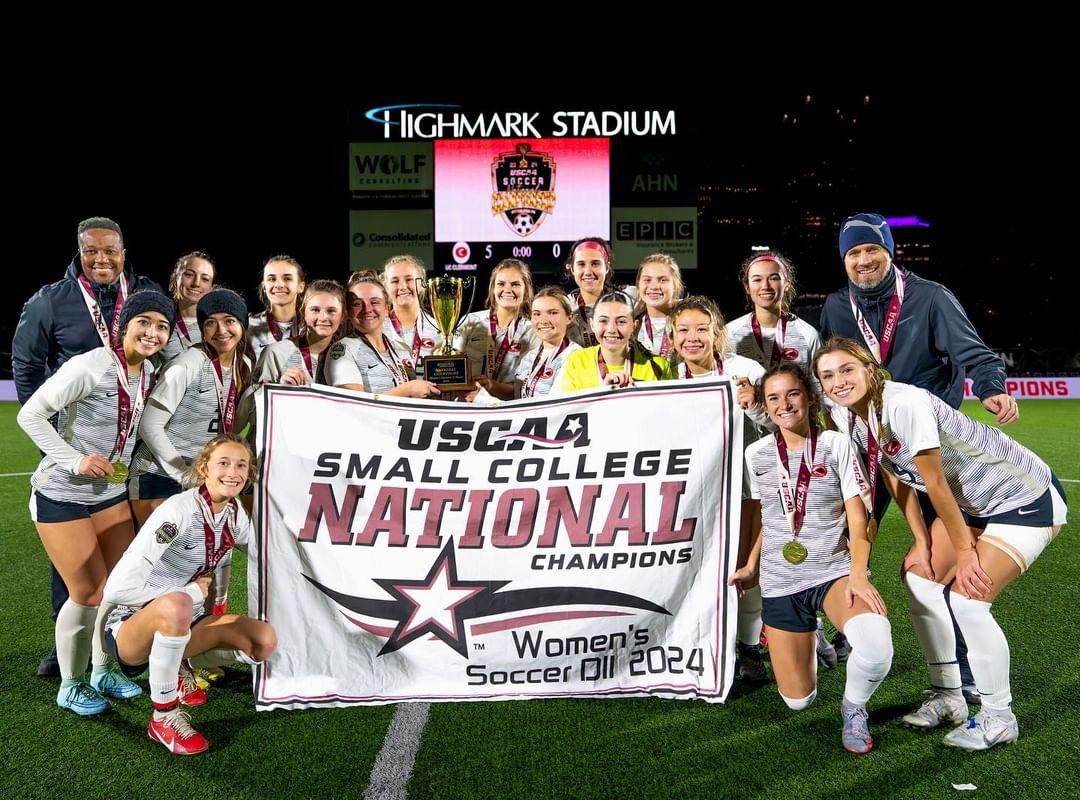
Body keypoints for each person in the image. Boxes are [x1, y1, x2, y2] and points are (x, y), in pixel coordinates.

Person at [815, 338, 1067, 750]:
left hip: (1022, 496)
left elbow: (935, 481)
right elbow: (892, 472)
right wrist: (920, 539)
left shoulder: (904, 402)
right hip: (972, 505)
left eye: (847, 369)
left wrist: (966, 552)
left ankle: (998, 717)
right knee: (920, 578)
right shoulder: (844, 415)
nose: (839, 381)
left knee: (969, 598)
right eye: (828, 375)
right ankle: (948, 694)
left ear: (869, 368)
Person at [819, 212, 1017, 686]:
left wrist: (990, 386)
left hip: (922, 449)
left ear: (890, 251)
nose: (864, 261)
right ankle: (846, 627)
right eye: (854, 253)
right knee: (843, 532)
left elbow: (975, 352)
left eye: (872, 250)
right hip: (866, 444)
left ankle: (964, 665)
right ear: (844, 261)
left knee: (940, 559)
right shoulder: (835, 306)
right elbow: (828, 370)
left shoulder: (929, 297)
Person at [12, 216, 162, 678]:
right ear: (79, 251)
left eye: (110, 250)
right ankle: (67, 655)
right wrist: (61, 444)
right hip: (74, 443)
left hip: (122, 451)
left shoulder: (143, 293)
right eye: (92, 250)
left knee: (122, 564)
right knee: (77, 568)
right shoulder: (51, 300)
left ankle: (114, 650)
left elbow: (158, 359)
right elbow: (26, 363)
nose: (102, 259)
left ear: (124, 250)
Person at [729, 363, 893, 754]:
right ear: (765, 408)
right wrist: (752, 565)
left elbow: (859, 515)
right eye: (773, 398)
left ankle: (854, 708)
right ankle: (810, 632)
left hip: (834, 572)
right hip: (780, 580)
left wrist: (859, 574)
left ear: (809, 397)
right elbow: (772, 516)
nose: (784, 404)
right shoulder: (757, 455)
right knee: (797, 700)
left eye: (792, 394)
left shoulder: (836, 445)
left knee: (875, 646)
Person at [102, 434, 277, 754]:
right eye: (223, 463)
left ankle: (177, 661)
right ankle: (163, 717)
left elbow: (265, 555)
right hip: (129, 626)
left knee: (263, 641)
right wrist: (189, 592)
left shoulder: (235, 514)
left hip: (183, 618)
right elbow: (117, 590)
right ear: (204, 468)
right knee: (179, 604)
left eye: (242, 466)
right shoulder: (178, 510)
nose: (232, 472)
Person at [669, 295, 774, 680]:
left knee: (748, 569)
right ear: (673, 336)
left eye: (701, 329)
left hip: (747, 489)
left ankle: (749, 648)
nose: (693, 338)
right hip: (700, 492)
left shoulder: (744, 369)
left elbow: (783, 424)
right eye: (684, 330)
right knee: (707, 568)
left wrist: (756, 405)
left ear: (717, 333)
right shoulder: (671, 379)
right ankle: (712, 642)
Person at [128, 289, 253, 526]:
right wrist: (182, 474)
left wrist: (254, 396)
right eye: (210, 323)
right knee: (167, 558)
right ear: (202, 328)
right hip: (158, 474)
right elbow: (149, 425)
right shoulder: (188, 363)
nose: (221, 331)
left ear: (242, 324)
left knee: (199, 555)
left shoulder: (243, 365)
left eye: (229, 321)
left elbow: (227, 427)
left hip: (199, 475)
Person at [323, 271, 441, 398]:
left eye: (374, 302)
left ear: (387, 309)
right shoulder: (343, 350)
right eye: (357, 303)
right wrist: (407, 390)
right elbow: (354, 405)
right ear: (348, 312)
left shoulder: (398, 347)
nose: (367, 309)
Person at [552, 291, 673, 393]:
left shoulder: (658, 365)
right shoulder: (577, 361)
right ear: (592, 324)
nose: (611, 329)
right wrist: (603, 393)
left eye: (621, 321)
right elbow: (567, 411)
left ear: (634, 326)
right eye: (603, 321)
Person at [457, 258, 538, 400]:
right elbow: (453, 367)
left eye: (515, 284)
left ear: (526, 291)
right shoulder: (470, 321)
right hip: (467, 405)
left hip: (507, 410)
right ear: (492, 288)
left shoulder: (533, 330)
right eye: (501, 284)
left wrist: (491, 385)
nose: (507, 289)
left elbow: (525, 388)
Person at [251, 279, 346, 386]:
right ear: (303, 312)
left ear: (342, 316)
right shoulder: (275, 353)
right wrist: (280, 387)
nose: (323, 318)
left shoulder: (346, 357)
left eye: (331, 311)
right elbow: (252, 399)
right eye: (315, 310)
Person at [564, 237, 636, 347]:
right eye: (581, 264)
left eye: (595, 264)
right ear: (572, 269)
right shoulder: (564, 306)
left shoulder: (629, 298)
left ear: (607, 267)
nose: (588, 272)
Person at [515, 287, 582, 399]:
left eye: (552, 313)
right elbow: (517, 400)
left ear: (569, 317)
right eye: (537, 314)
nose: (543, 320)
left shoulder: (577, 356)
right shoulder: (528, 358)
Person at [381, 255, 443, 371]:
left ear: (421, 284)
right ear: (386, 288)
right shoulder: (378, 330)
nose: (403, 286)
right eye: (395, 281)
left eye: (409, 279)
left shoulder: (440, 330)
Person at [161, 252, 216, 362]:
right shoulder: (160, 324)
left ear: (211, 287)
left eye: (205, 279)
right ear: (175, 278)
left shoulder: (219, 326)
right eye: (189, 275)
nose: (196, 283)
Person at [248, 255, 306, 357]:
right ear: (264, 286)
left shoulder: (312, 325)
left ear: (300, 287)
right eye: (272, 279)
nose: (279, 285)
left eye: (287, 278)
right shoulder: (249, 327)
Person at [634, 253, 685, 357]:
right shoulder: (631, 325)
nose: (654, 286)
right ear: (638, 284)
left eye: (662, 280)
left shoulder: (690, 320)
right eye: (647, 280)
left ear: (675, 285)